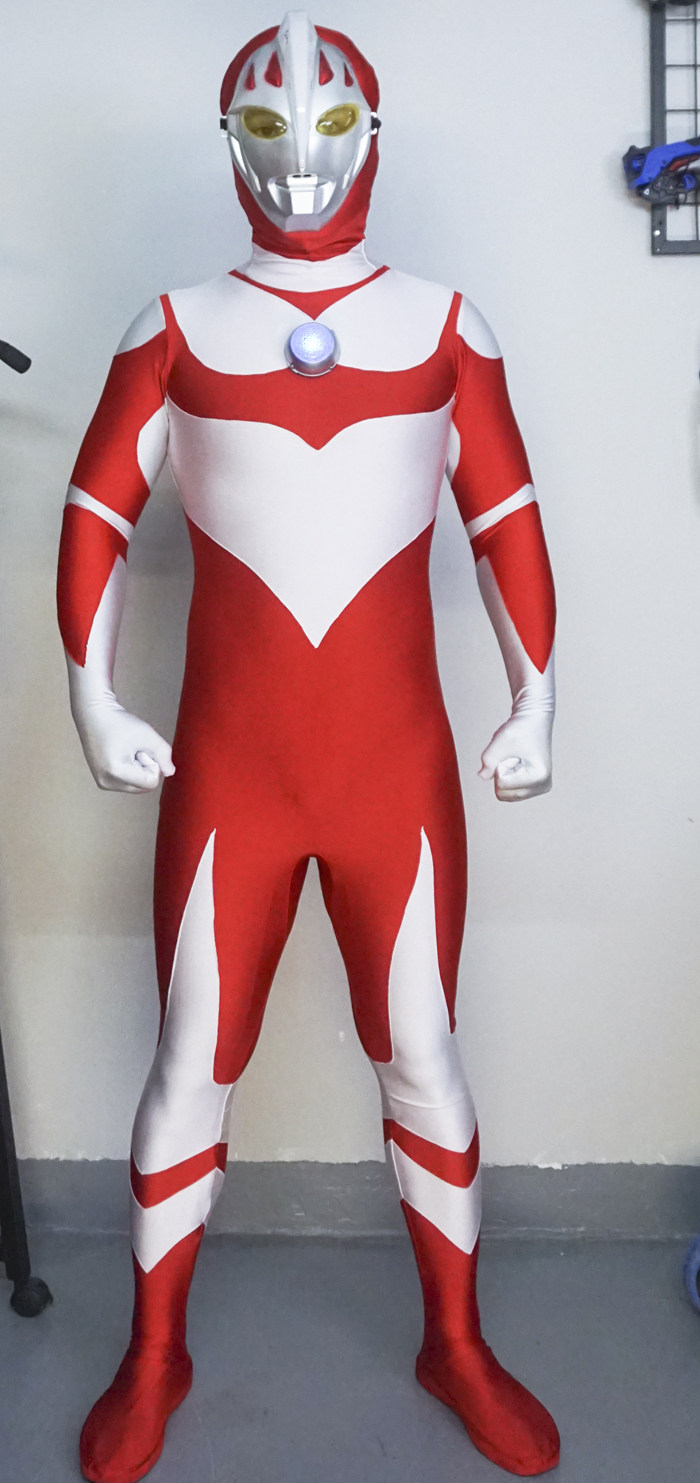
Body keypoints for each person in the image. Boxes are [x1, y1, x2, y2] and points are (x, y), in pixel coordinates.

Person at [57, 13, 559, 1480]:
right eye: (267, 130)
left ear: (371, 136)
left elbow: (507, 520)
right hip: (233, 774)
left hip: (392, 773)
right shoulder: (173, 326)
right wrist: (93, 697)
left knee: (426, 1057)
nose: (297, 161)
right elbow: (94, 516)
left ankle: (455, 1342)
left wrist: (539, 697)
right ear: (229, 144)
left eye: (327, 127)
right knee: (188, 1064)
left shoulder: (446, 326)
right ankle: (155, 1354)